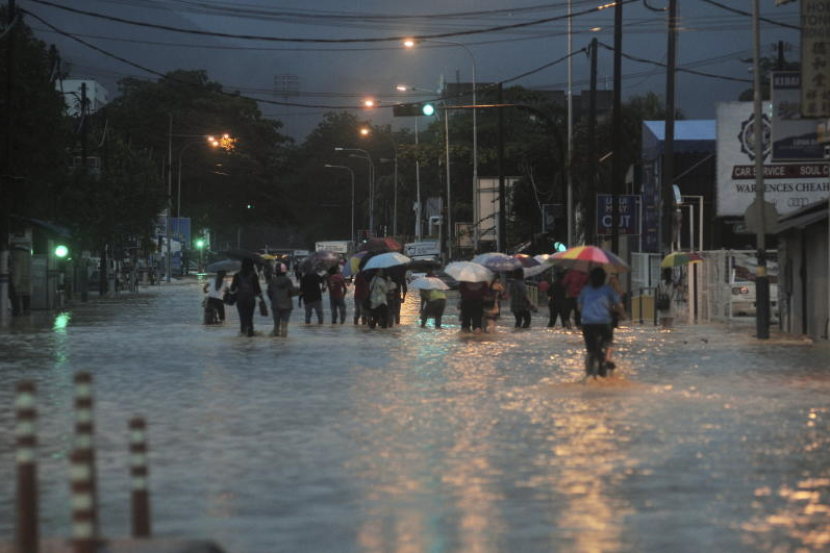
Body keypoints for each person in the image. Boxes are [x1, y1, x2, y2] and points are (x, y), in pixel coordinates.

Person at [578, 267, 624, 376]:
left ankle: (589, 371)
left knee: (590, 350)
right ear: (604, 278)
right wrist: (623, 315)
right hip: (604, 322)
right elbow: (619, 305)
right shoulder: (608, 290)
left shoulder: (585, 290)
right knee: (608, 341)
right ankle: (608, 358)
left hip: (588, 323)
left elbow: (579, 307)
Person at [230, 258, 264, 337]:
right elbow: (257, 290)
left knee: (242, 320)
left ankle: (243, 338)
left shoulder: (237, 275)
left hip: (240, 300)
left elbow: (232, 289)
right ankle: (250, 338)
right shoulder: (254, 275)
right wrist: (262, 300)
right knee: (249, 320)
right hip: (251, 300)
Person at [267, 263, 299, 337]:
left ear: (276, 271)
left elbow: (269, 293)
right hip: (287, 306)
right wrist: (298, 290)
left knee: (276, 327)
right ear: (285, 271)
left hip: (276, 306)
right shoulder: (288, 281)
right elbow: (291, 292)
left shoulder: (272, 281)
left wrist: (273, 300)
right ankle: (284, 342)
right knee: (284, 327)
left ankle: (276, 342)